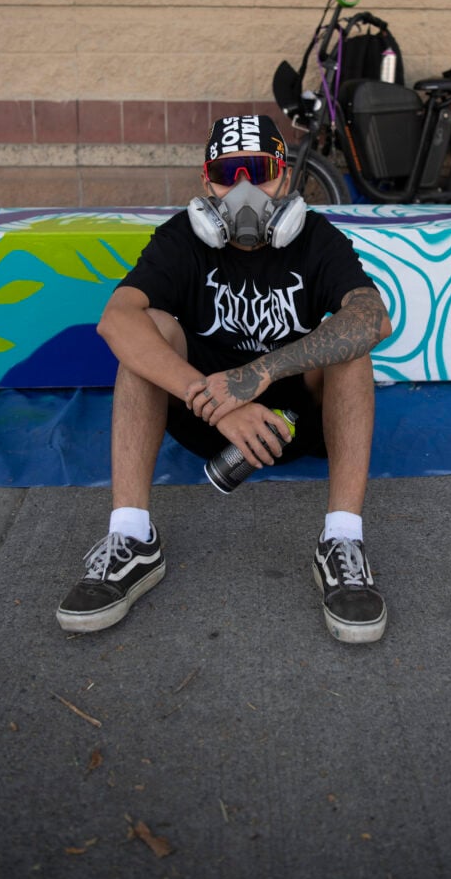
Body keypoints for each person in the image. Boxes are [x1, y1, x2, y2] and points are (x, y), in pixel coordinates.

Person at [56, 114, 392, 643]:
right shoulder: (180, 239)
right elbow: (114, 321)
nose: (243, 191)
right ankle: (132, 536)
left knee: (351, 344)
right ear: (204, 182)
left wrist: (257, 375)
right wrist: (219, 403)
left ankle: (342, 540)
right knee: (146, 332)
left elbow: (373, 319)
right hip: (205, 416)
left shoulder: (317, 239)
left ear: (285, 177)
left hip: (297, 420)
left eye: (258, 172)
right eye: (226, 174)